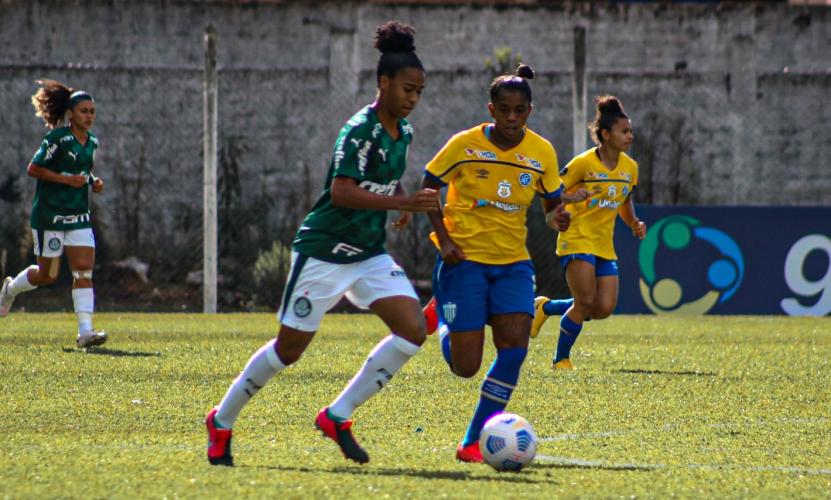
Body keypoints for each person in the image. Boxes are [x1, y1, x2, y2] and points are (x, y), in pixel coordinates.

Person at [205, 21, 437, 466]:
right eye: (407, 89)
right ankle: (222, 419)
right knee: (288, 351)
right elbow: (342, 192)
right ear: (383, 83)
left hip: (367, 254)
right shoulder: (358, 131)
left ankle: (338, 415)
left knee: (413, 329)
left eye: (419, 92)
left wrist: (402, 201)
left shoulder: (402, 134)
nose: (412, 98)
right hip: (324, 251)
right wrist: (403, 201)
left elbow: (386, 179)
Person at [420, 64, 572, 463]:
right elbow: (428, 187)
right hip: (464, 260)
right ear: (491, 109)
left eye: (519, 110)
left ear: (529, 111)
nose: (510, 117)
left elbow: (551, 204)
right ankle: (443, 317)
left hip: (512, 263)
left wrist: (557, 217)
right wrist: (445, 238)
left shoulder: (541, 152)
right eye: (503, 109)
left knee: (514, 350)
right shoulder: (464, 145)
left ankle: (472, 442)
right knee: (465, 367)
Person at [530, 95, 647, 370]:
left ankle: (545, 307)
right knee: (584, 301)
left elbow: (625, 200)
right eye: (624, 131)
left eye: (630, 131)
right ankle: (561, 360)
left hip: (604, 245)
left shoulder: (630, 168)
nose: (630, 136)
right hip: (577, 238)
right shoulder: (583, 163)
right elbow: (547, 188)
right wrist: (569, 197)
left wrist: (633, 223)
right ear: (605, 135)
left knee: (602, 308)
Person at [0, 80, 107, 348]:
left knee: (83, 272)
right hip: (50, 216)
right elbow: (33, 169)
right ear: (71, 114)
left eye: (92, 111)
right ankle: (10, 289)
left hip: (79, 216)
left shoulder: (92, 141)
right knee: (47, 275)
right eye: (84, 111)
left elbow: (82, 170)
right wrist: (65, 180)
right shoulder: (56, 139)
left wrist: (93, 181)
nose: (89, 116)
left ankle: (85, 332)